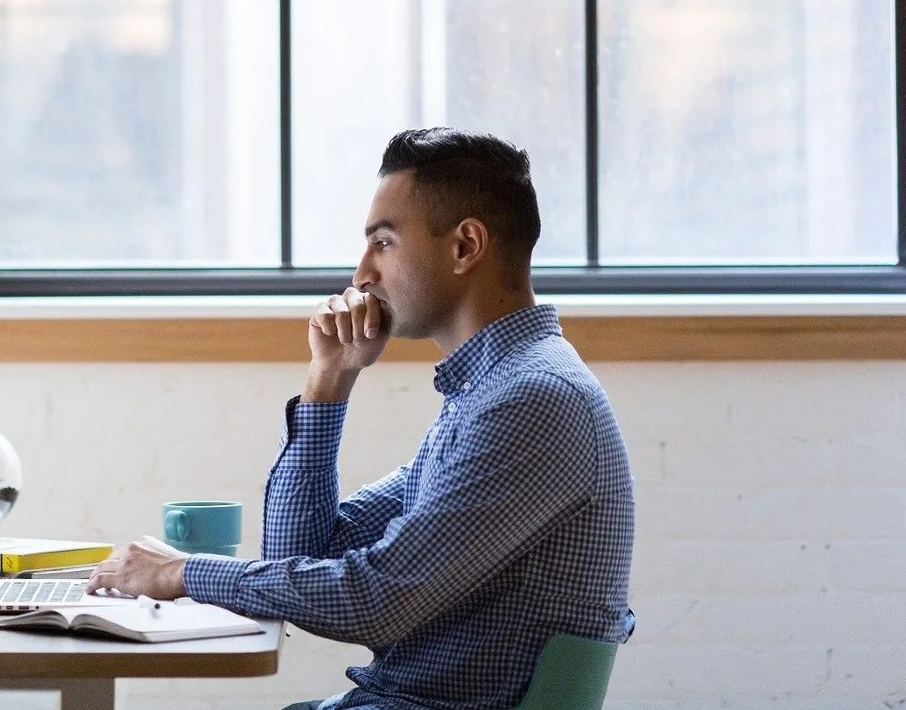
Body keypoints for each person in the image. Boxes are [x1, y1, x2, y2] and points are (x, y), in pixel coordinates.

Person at [90, 128, 636, 709]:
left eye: (384, 242)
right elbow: (298, 556)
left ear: (465, 246)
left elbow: (375, 602)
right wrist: (331, 379)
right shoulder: (487, 394)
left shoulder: (530, 401)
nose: (361, 275)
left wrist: (182, 573)